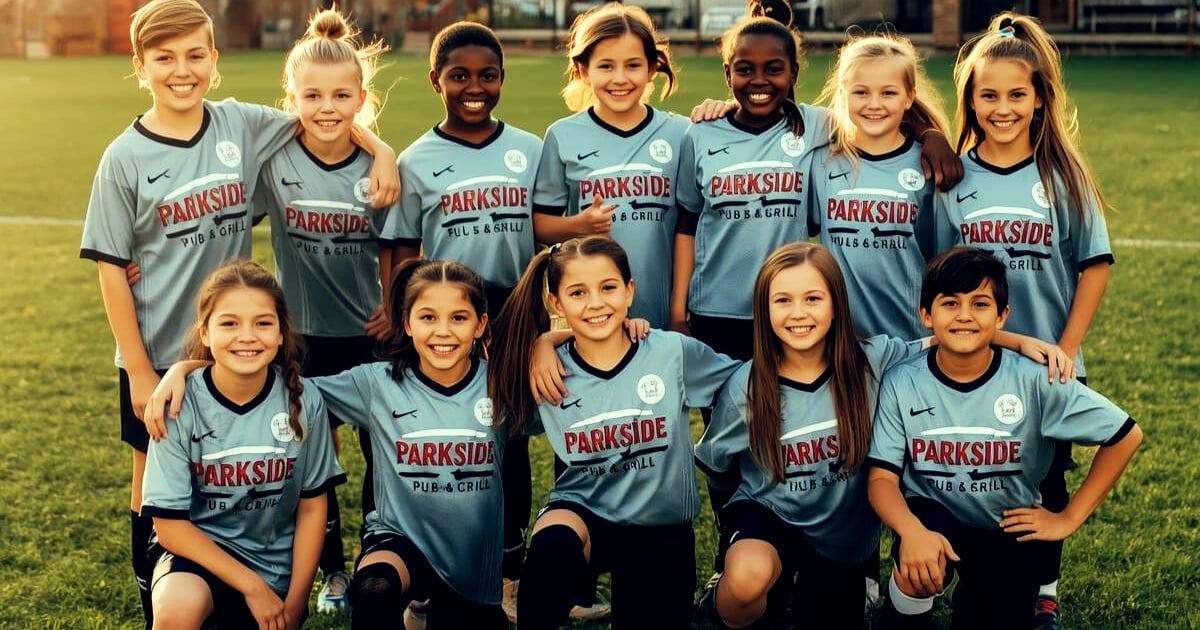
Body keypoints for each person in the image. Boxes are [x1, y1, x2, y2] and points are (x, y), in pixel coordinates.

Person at [78, 1, 396, 624]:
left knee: (239, 464)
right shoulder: (124, 157)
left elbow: (323, 115)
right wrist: (141, 371)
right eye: (165, 59)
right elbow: (112, 267)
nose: (182, 70)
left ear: (214, 61)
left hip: (236, 342)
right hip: (160, 344)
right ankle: (156, 587)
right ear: (140, 67)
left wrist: (381, 151)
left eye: (195, 55)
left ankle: (262, 569)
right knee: (151, 475)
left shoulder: (241, 126)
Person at [693, 242, 1073, 629]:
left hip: (842, 540)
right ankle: (727, 604)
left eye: (813, 298)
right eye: (783, 300)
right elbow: (719, 469)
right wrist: (733, 536)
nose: (798, 313)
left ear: (837, 304)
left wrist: (1020, 341)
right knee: (748, 578)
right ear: (764, 308)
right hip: (768, 517)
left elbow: (949, 335)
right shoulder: (748, 385)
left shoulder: (872, 361)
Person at [146, 260, 509, 629]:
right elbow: (254, 376)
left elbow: (564, 379)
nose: (443, 331)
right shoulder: (374, 385)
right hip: (399, 542)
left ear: (480, 324)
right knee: (374, 588)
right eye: (428, 317)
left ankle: (425, 609)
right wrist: (184, 370)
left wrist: (548, 341)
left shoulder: (503, 385)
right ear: (407, 322)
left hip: (473, 560)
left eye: (459, 318)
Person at [937, 13, 1115, 626]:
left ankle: (1044, 588)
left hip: (1049, 364)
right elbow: (938, 278)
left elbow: (1094, 266)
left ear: (1039, 99)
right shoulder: (953, 182)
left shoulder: (1064, 177)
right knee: (969, 467)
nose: (1003, 107)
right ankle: (966, 573)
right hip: (970, 359)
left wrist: (1065, 347)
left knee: (1044, 482)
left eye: (1017, 94)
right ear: (970, 100)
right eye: (989, 95)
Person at [867, 247, 1141, 630]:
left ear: (1002, 316)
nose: (964, 315)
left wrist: (1067, 518)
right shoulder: (902, 381)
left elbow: (1126, 435)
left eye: (980, 303)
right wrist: (911, 531)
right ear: (926, 315)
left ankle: (974, 591)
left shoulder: (1034, 380)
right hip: (933, 519)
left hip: (1008, 527)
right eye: (950, 303)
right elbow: (881, 480)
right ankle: (903, 617)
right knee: (921, 562)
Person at [489, 236, 741, 629]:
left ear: (630, 291)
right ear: (557, 303)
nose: (594, 303)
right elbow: (480, 379)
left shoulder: (671, 353)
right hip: (584, 513)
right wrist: (544, 341)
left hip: (660, 525)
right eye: (577, 292)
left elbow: (742, 382)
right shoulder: (546, 369)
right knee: (551, 551)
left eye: (608, 288)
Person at [388, 25, 545, 621]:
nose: (474, 87)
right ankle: (428, 576)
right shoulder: (416, 159)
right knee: (449, 444)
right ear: (437, 81)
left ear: (502, 79)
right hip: (446, 321)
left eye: (487, 76)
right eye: (459, 76)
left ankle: (508, 573)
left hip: (512, 313)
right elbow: (403, 247)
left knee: (507, 443)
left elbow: (547, 230)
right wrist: (403, 316)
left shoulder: (530, 150)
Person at [255, 7, 399, 613]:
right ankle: (332, 572)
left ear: (361, 98)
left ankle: (375, 553)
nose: (327, 107)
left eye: (341, 95)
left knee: (380, 454)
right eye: (311, 95)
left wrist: (393, 307)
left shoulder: (379, 169)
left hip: (366, 336)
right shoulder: (275, 159)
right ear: (292, 97)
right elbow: (224, 220)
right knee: (315, 460)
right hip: (302, 338)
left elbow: (396, 248)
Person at [140, 260, 346, 630]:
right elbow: (169, 526)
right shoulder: (178, 404)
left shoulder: (303, 400)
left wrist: (295, 602)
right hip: (198, 560)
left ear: (282, 332)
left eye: (263, 323)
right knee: (176, 610)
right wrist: (252, 588)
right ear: (204, 332)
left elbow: (313, 509)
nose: (247, 336)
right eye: (229, 323)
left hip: (273, 567)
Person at [531, 2, 688, 330]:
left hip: (667, 314)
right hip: (593, 317)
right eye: (606, 66)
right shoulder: (562, 136)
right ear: (583, 70)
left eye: (633, 65)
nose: (620, 78)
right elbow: (540, 225)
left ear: (652, 67)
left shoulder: (682, 133)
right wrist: (579, 225)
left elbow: (692, 228)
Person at [809, 33, 951, 341]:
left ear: (909, 97)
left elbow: (939, 257)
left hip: (913, 337)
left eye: (888, 93)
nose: (874, 104)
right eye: (861, 92)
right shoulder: (822, 162)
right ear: (844, 94)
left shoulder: (926, 165)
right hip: (844, 342)